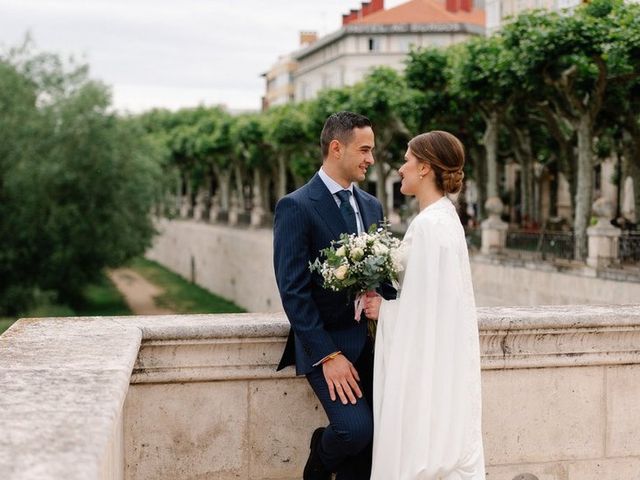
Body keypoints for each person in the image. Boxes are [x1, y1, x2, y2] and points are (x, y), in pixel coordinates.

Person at [273, 111, 395, 480]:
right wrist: (328, 355)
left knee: (376, 445)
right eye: (365, 150)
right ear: (336, 148)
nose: (371, 159)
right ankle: (318, 460)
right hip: (327, 346)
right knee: (354, 430)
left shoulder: (372, 205)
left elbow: (383, 277)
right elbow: (293, 292)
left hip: (374, 346)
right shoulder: (295, 206)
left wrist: (390, 309)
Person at [364, 131, 486, 479]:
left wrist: (382, 310)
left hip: (423, 369)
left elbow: (425, 309)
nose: (400, 168)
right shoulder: (444, 219)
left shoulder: (430, 226)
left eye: (406, 160)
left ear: (425, 168)